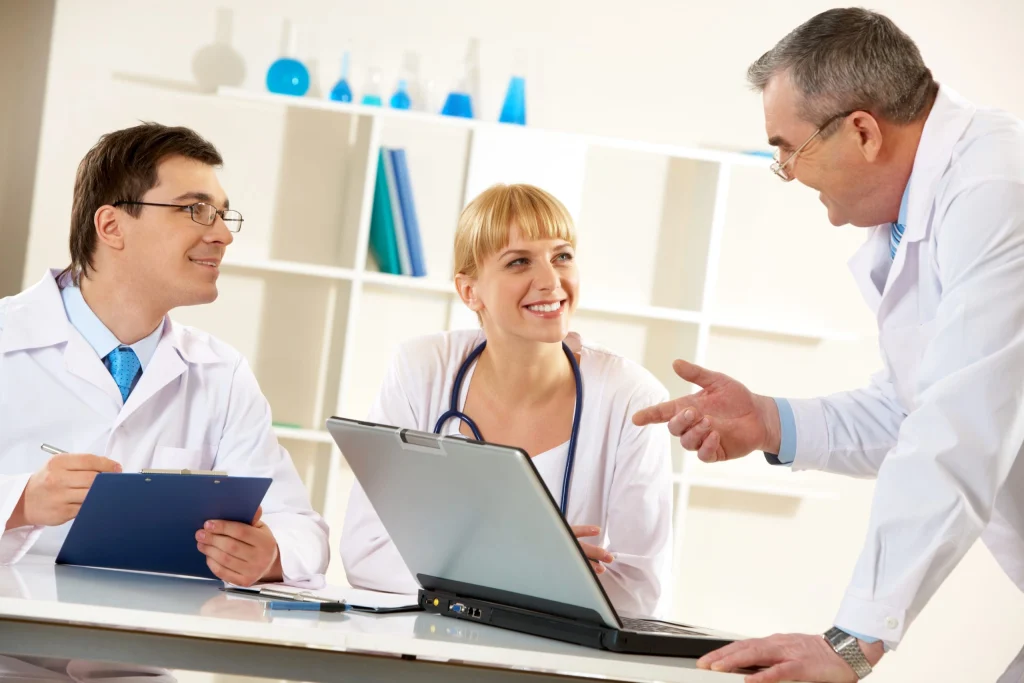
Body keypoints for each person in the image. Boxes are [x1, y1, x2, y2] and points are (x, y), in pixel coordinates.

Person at [635, 8, 1024, 682]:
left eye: (788, 148)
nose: (785, 171)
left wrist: (851, 644)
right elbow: (917, 404)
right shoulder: (926, 210)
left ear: (864, 131)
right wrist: (768, 420)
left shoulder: (998, 190)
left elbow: (958, 430)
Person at [0, 123, 329, 588]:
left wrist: (269, 553)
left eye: (222, 214)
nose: (223, 236)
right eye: (195, 210)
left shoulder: (222, 374)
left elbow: (301, 526)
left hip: (141, 654)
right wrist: (21, 502)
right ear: (112, 226)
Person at [340, 184, 673, 617]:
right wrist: (530, 568)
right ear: (469, 291)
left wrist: (476, 569)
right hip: (427, 650)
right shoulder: (422, 368)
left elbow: (639, 591)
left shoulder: (631, 397)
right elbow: (365, 553)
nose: (551, 282)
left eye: (562, 256)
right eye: (519, 262)